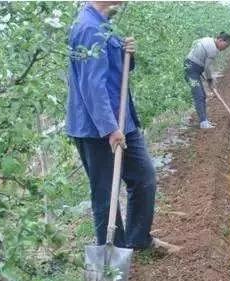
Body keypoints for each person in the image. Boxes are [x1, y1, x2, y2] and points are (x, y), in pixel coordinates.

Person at [66, 1, 179, 254]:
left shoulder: (106, 25)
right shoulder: (88, 27)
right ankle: (113, 256)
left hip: (122, 120)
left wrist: (129, 53)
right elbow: (92, 86)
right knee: (106, 192)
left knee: (144, 176)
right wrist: (109, 129)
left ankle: (138, 240)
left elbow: (119, 71)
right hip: (97, 128)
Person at [184, 32, 230, 129]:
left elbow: (195, 45)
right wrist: (210, 81)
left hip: (191, 67)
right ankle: (203, 123)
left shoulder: (207, 39)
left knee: (202, 95)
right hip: (191, 71)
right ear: (220, 40)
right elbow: (207, 68)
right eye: (225, 46)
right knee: (199, 95)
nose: (224, 49)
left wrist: (198, 68)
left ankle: (204, 120)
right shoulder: (213, 50)